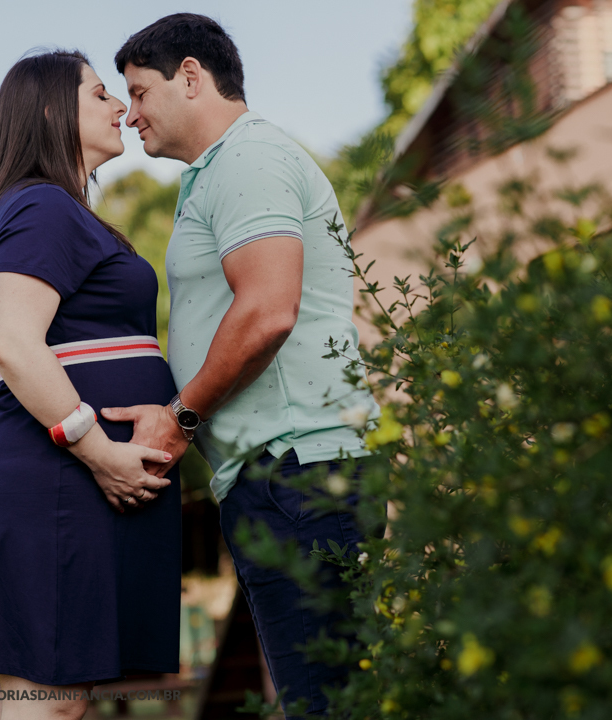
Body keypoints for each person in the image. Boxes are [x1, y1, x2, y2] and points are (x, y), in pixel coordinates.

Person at [105, 14, 381, 716]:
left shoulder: (248, 159)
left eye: (139, 92)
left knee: (327, 703)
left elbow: (267, 311)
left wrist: (181, 417)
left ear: (191, 75)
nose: (130, 115)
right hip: (279, 479)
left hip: (299, 476)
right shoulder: (218, 173)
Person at [0, 51, 181, 719]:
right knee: (51, 704)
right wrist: (101, 452)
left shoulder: (54, 210)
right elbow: (14, 344)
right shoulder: (44, 206)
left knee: (35, 701)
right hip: (54, 480)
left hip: (57, 480)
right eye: (102, 94)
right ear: (50, 112)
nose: (120, 109)